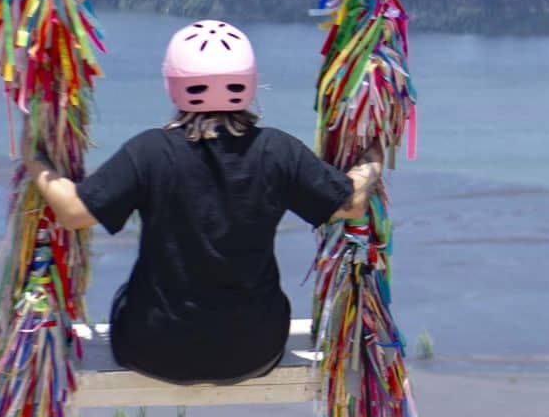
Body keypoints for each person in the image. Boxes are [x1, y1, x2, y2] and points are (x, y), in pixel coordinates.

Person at [29, 21, 378, 385]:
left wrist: (35, 162)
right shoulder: (278, 150)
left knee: (124, 298)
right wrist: (373, 159)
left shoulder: (149, 152)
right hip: (255, 350)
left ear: (174, 84)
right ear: (248, 82)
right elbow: (351, 202)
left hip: (152, 348)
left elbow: (72, 212)